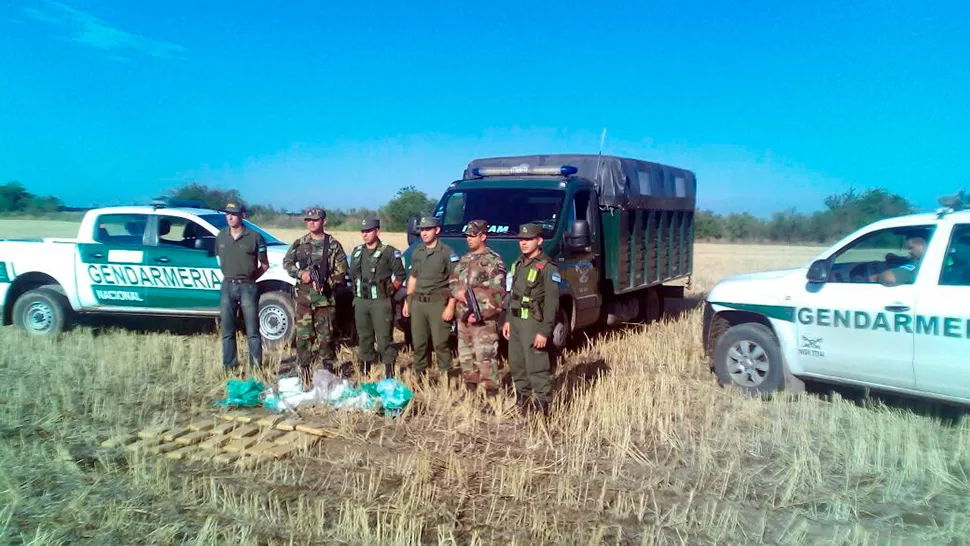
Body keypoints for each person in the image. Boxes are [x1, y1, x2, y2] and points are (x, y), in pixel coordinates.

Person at [282, 207, 348, 390]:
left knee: (326, 338)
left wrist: (328, 282)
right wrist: (300, 273)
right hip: (304, 300)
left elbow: (342, 270)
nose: (311, 223)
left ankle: (327, 377)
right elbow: (286, 262)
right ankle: (304, 375)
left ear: (324, 221)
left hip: (325, 301)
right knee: (303, 339)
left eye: (315, 220)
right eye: (308, 220)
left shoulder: (333, 244)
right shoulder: (300, 243)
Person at [502, 223, 560, 417]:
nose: (524, 243)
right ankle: (523, 404)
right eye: (521, 240)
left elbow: (552, 305)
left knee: (537, 367)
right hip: (517, 323)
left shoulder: (548, 268)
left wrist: (544, 332)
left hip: (533, 323)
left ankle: (544, 410)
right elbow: (513, 296)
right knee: (517, 365)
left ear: (539, 241)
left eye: (528, 239)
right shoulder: (518, 263)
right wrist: (509, 320)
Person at [449, 219, 506, 394]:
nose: (469, 239)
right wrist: (457, 292)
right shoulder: (465, 259)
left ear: (483, 236)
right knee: (466, 357)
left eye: (473, 235)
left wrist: (480, 313)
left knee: (485, 357)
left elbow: (498, 292)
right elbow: (453, 280)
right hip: (463, 316)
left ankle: (491, 394)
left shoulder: (493, 261)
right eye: (467, 235)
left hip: (483, 319)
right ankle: (471, 392)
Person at [349, 216, 406, 378]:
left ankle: (389, 374)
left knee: (384, 338)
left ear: (377, 231)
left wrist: (389, 291)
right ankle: (365, 371)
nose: (365, 234)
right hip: (361, 301)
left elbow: (400, 276)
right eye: (363, 231)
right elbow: (353, 274)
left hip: (381, 301)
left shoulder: (389, 252)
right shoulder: (357, 252)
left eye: (368, 231)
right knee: (364, 337)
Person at [215, 201, 269, 374]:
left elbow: (265, 265)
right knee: (227, 330)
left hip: (248, 287)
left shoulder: (254, 237)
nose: (230, 217)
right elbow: (219, 259)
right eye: (227, 214)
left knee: (252, 330)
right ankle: (229, 367)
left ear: (243, 215)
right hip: (227, 285)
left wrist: (251, 279)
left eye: (234, 214)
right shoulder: (221, 236)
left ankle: (256, 368)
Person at [402, 215, 458, 379]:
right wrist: (408, 300)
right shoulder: (417, 251)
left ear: (437, 230)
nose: (424, 233)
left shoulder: (447, 253)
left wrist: (451, 306)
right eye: (422, 230)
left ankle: (445, 376)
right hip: (418, 303)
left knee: (441, 343)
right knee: (419, 343)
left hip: (438, 304)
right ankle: (420, 375)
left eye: (428, 229)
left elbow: (455, 282)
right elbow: (413, 278)